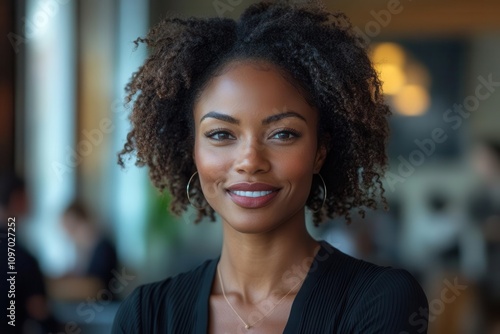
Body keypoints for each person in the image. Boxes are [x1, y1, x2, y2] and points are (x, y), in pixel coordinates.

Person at [112, 1, 428, 333]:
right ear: (192, 150)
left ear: (320, 151)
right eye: (221, 134)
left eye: (282, 134)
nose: (250, 161)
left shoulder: (380, 300)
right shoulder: (146, 315)